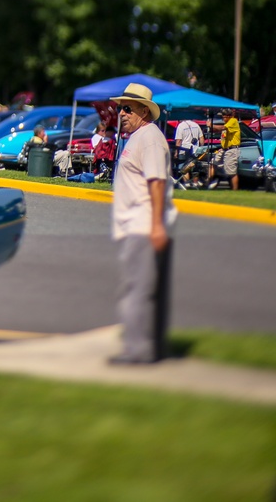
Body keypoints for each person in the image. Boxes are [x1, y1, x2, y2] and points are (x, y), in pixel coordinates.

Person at [107, 83, 178, 365]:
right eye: (119, 108)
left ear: (143, 112)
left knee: (137, 290)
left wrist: (156, 226)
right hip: (137, 226)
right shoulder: (138, 137)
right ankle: (150, 349)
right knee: (142, 288)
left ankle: (137, 351)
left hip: (144, 226)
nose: (121, 113)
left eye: (127, 109)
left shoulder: (148, 138)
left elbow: (157, 182)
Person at [207, 109, 240, 190]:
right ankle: (209, 182)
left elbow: (222, 127)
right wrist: (211, 128)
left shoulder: (233, 121)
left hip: (231, 149)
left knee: (231, 172)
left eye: (223, 117)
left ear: (229, 116)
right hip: (224, 149)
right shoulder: (227, 123)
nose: (222, 119)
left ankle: (235, 191)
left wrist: (211, 125)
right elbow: (218, 129)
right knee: (212, 163)